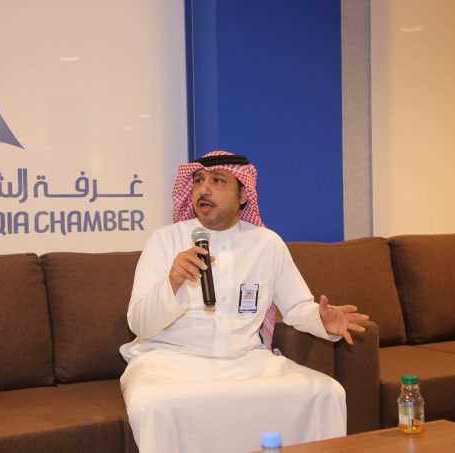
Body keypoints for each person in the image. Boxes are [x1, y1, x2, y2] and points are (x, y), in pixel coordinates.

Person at [119, 150, 369, 453]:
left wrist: (323, 320)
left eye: (217, 180)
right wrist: (172, 281)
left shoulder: (267, 244)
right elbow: (139, 324)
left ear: (243, 195)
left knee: (326, 392)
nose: (203, 189)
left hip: (246, 361)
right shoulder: (165, 241)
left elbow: (297, 307)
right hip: (170, 362)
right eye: (198, 180)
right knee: (152, 403)